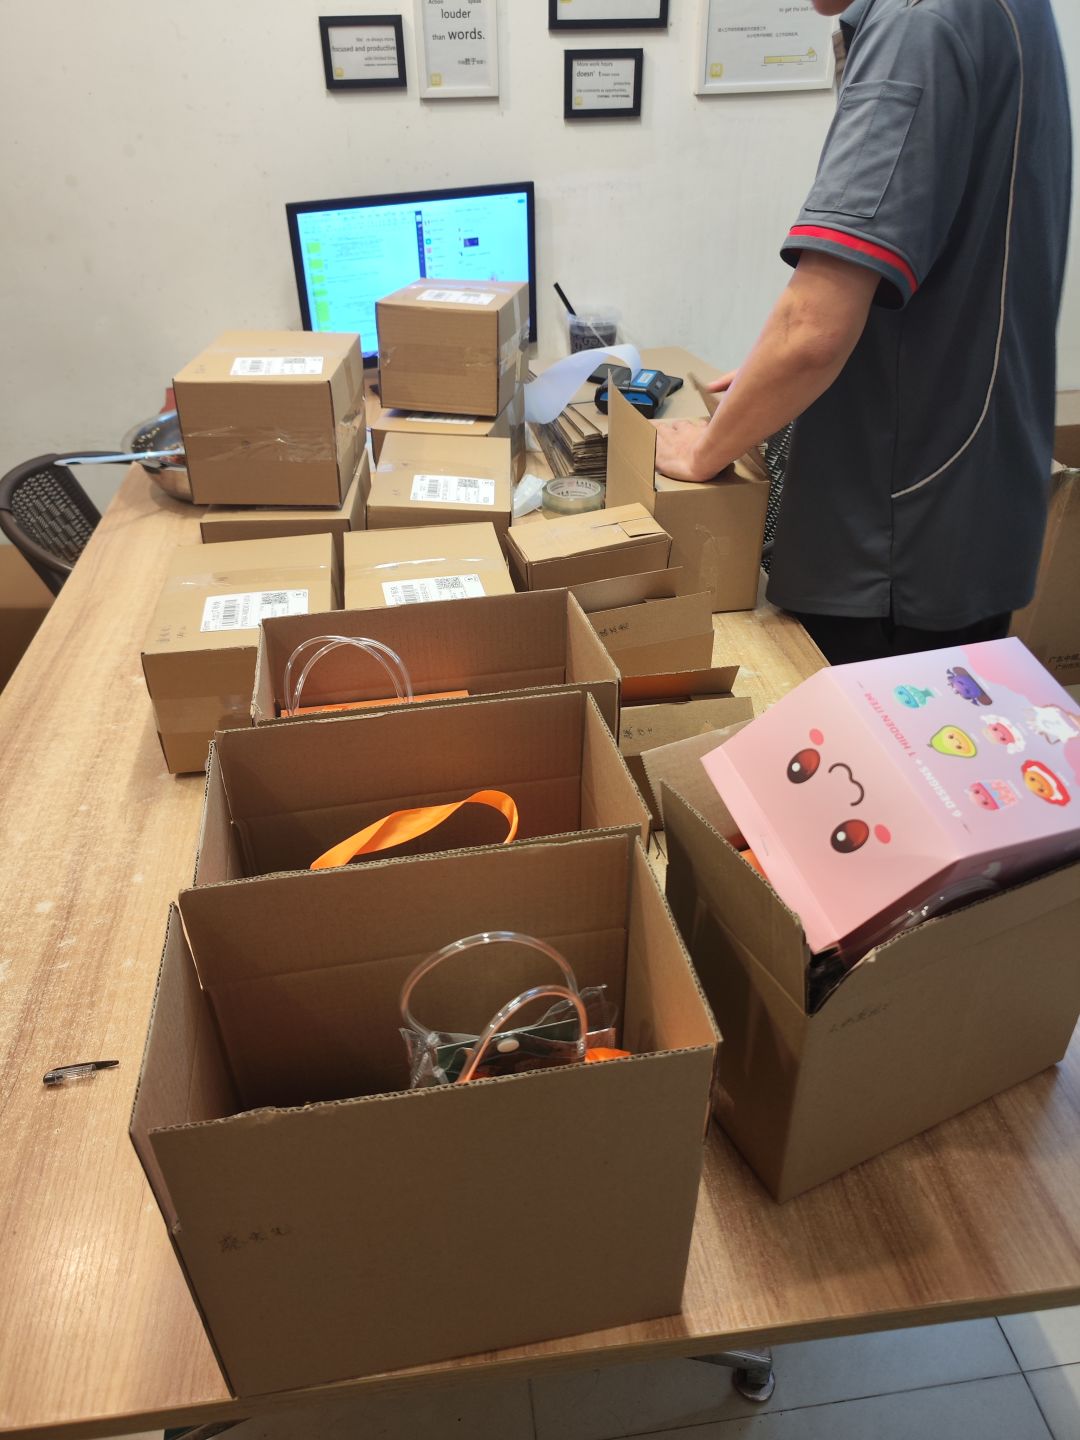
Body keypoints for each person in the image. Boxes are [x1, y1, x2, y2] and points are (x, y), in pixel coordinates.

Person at [653, 0, 1072, 664]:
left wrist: (705, 450)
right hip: (973, 510)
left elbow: (814, 327)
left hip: (898, 539)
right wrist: (767, 373)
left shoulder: (915, 26)